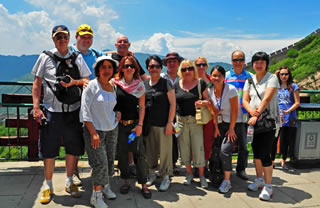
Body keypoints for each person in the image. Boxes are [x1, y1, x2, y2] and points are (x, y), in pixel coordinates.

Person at [32, 25, 91, 204]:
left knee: (73, 149)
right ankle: (48, 185)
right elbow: (36, 83)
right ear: (53, 39)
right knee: (49, 151)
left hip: (73, 111)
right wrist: (36, 108)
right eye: (58, 37)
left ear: (69, 37)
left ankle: (69, 181)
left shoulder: (77, 57)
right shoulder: (45, 57)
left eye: (64, 36)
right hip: (51, 111)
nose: (62, 40)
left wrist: (75, 82)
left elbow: (86, 81)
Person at [80, 56, 120, 208]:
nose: (107, 70)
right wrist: (93, 133)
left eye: (110, 67)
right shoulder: (91, 86)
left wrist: (117, 113)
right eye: (103, 67)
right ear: (98, 69)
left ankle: (105, 187)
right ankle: (96, 196)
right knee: (99, 163)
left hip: (112, 128)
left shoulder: (113, 86)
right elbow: (85, 111)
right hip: (95, 130)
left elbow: (111, 106)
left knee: (109, 161)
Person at [243, 51, 281, 201]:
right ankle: (259, 180)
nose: (259, 65)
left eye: (262, 62)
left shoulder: (272, 78)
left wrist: (255, 115)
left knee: (266, 154)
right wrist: (252, 114)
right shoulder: (249, 80)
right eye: (256, 62)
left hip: (268, 121)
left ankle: (268, 186)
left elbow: (266, 99)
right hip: (254, 121)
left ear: (266, 64)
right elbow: (245, 100)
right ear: (253, 64)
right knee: (256, 153)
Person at [112, 56, 152, 199]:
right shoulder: (115, 84)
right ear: (121, 68)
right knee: (122, 154)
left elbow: (141, 107)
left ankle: (143, 184)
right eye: (126, 66)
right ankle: (126, 181)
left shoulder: (139, 85)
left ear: (135, 69)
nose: (129, 68)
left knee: (139, 153)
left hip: (134, 126)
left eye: (132, 66)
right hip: (120, 126)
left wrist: (140, 125)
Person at [71, 23, 105, 186]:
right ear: (76, 37)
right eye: (83, 37)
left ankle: (96, 169)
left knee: (95, 138)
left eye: (89, 37)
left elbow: (109, 60)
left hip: (95, 105)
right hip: (75, 103)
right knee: (76, 139)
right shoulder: (69, 54)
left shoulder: (97, 55)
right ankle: (74, 172)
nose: (86, 40)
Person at [143, 55, 176, 191]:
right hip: (148, 125)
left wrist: (170, 122)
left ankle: (165, 176)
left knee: (165, 152)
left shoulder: (166, 83)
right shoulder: (144, 84)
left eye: (157, 66)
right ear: (148, 68)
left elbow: (173, 104)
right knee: (150, 152)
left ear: (160, 68)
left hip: (163, 124)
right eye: (151, 66)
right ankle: (152, 173)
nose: (154, 69)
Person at [174, 59, 209, 188]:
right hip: (180, 121)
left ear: (193, 70)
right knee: (184, 148)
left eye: (189, 68)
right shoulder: (177, 85)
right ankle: (188, 174)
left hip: (196, 121)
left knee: (198, 148)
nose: (187, 71)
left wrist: (203, 103)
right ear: (180, 71)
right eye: (184, 69)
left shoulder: (200, 83)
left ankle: (201, 175)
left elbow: (208, 100)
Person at [208, 65, 239, 193]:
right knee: (216, 152)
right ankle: (217, 175)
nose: (216, 78)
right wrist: (215, 127)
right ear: (210, 77)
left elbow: (235, 110)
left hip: (230, 125)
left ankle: (227, 181)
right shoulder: (210, 91)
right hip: (218, 125)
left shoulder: (231, 90)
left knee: (225, 151)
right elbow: (213, 112)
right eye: (214, 75)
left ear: (224, 77)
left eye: (219, 76)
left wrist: (232, 129)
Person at [225, 50, 251, 180]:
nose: (238, 63)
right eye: (235, 60)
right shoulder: (226, 76)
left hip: (243, 117)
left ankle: (241, 169)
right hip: (227, 117)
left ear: (244, 61)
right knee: (226, 146)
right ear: (231, 61)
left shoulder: (250, 77)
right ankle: (225, 170)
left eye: (240, 60)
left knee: (243, 146)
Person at [272, 67, 300, 169]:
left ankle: (283, 161)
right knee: (274, 139)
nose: (284, 76)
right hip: (277, 116)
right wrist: (275, 75)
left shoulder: (293, 86)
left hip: (290, 116)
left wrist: (287, 111)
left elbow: (297, 102)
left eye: (286, 74)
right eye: (282, 74)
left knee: (286, 140)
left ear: (289, 75)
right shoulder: (276, 86)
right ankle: (272, 161)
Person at [161, 52, 184, 174]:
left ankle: (174, 162)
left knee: (177, 138)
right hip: (166, 113)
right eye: (169, 61)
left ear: (178, 63)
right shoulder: (162, 77)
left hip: (180, 114)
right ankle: (167, 162)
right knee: (167, 137)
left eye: (174, 61)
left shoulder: (183, 77)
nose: (172, 64)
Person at [194, 56, 214, 177]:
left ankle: (205, 164)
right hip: (195, 115)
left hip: (209, 115)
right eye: (198, 65)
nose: (201, 67)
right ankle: (196, 164)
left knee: (207, 141)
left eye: (203, 65)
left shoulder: (212, 80)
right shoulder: (191, 80)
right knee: (195, 141)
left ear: (207, 66)